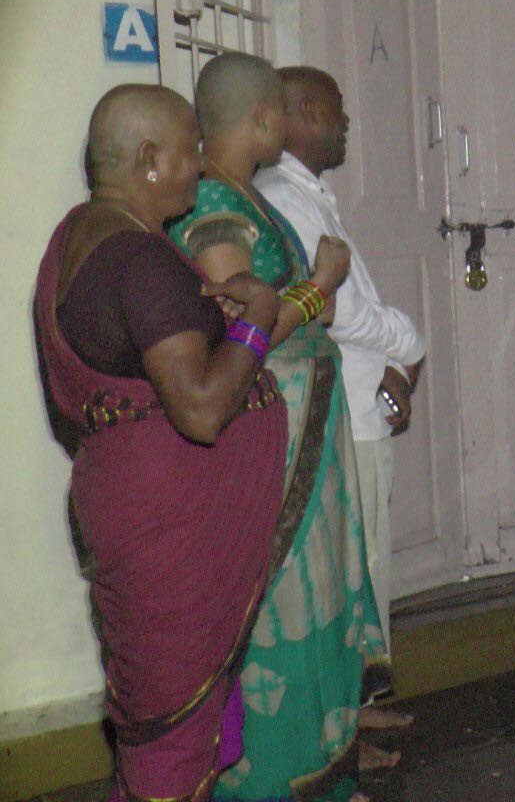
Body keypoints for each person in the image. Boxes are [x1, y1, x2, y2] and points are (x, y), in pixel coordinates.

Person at [33, 85, 287, 801]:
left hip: (140, 505)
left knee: (167, 723)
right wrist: (256, 321)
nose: (201, 166)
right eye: (189, 150)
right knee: (168, 742)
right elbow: (202, 410)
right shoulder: (140, 260)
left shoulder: (83, 235)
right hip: (167, 525)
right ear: (149, 159)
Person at [168, 53, 387, 800]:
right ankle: (273, 783)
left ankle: (325, 772)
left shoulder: (242, 195)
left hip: (303, 430)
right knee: (281, 612)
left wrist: (314, 292)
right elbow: (243, 331)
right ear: (264, 118)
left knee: (317, 604)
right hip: (272, 439)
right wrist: (320, 285)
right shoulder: (213, 205)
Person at [256, 66, 425, 694]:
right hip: (343, 411)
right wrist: (410, 342)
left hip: (357, 401)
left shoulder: (307, 191)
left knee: (365, 566)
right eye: (336, 109)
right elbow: (338, 310)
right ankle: (354, 704)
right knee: (360, 568)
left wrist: (396, 366)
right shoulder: (284, 194)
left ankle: (360, 700)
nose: (346, 122)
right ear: (303, 112)